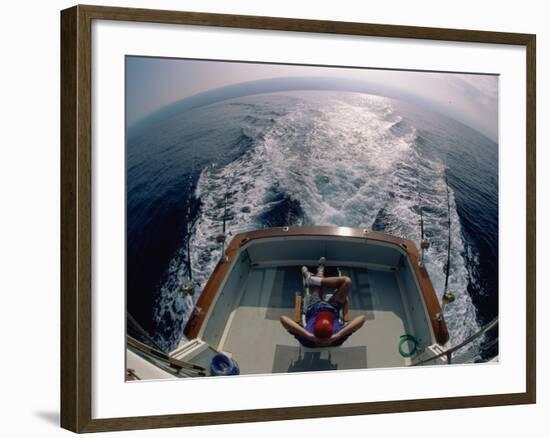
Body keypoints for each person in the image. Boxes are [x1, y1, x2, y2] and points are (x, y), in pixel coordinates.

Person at [279, 267, 366, 348]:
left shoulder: (306, 340)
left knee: (318, 287)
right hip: (333, 308)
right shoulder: (337, 339)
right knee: (347, 282)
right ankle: (314, 277)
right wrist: (337, 335)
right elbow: (362, 318)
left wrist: (307, 335)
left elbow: (283, 318)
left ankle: (316, 275)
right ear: (332, 333)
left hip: (314, 306)